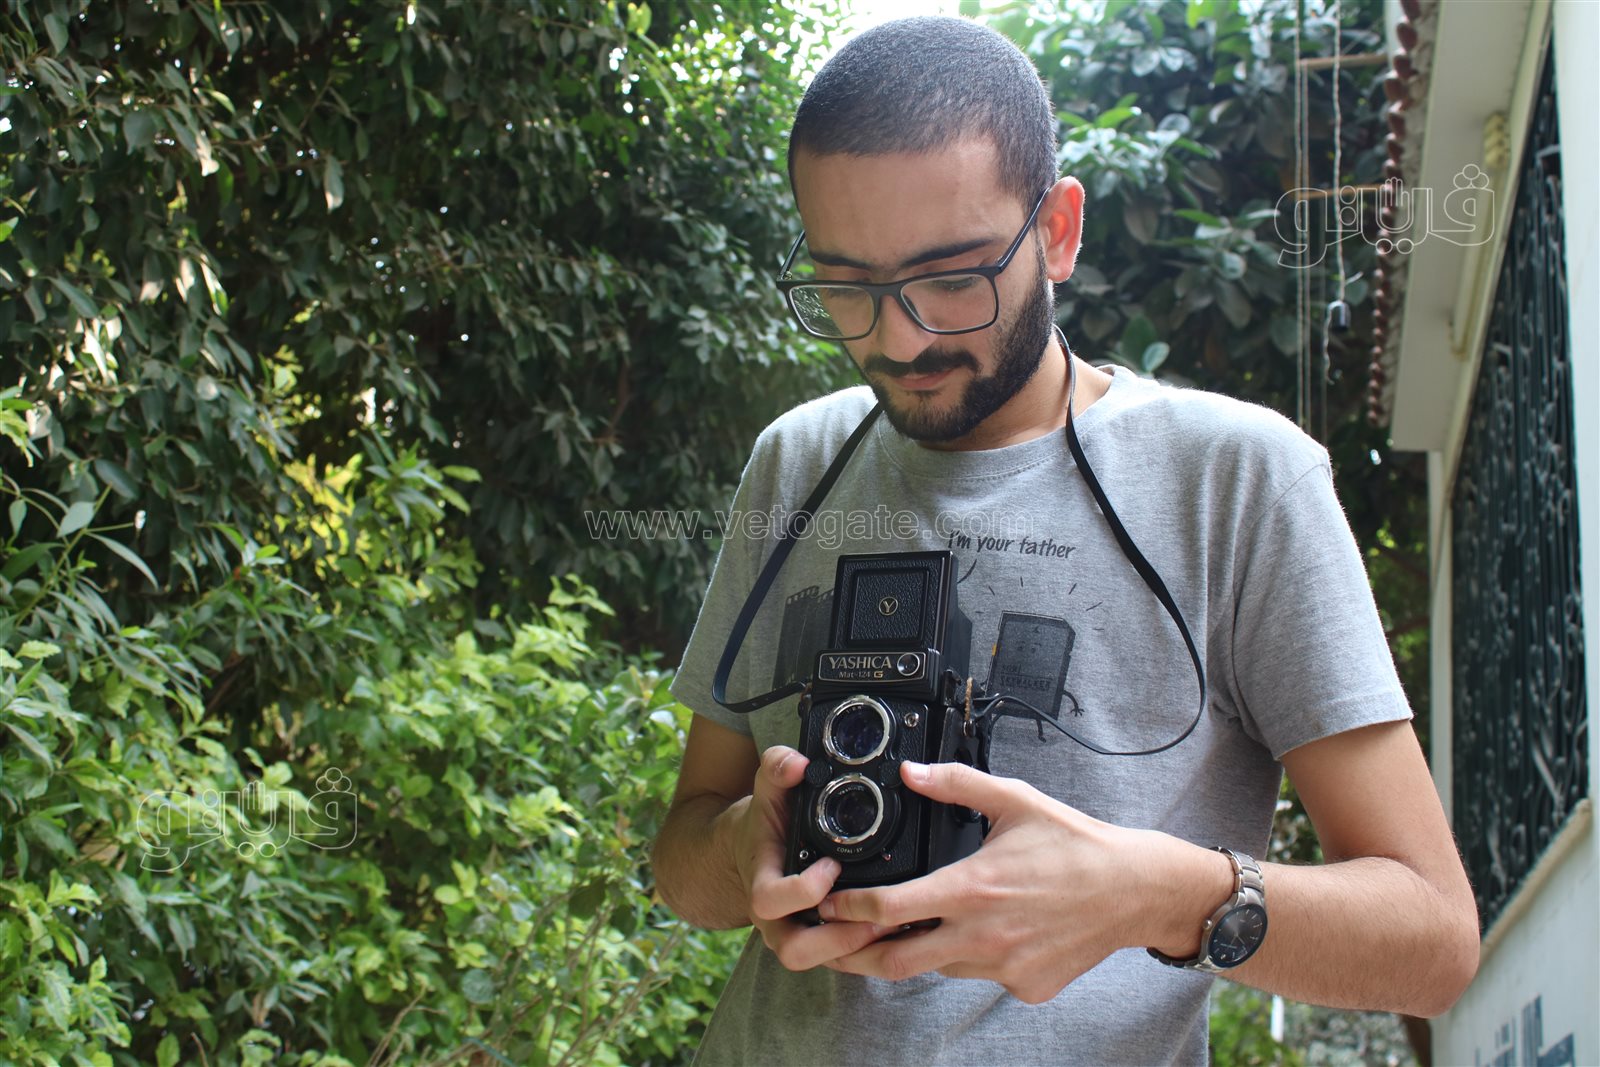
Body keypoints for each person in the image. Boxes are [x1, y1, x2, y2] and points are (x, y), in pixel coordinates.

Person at [652, 15, 1477, 1066]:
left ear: (1057, 231)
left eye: (953, 277)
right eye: (846, 287)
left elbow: (1432, 940)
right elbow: (685, 855)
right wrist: (744, 850)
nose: (899, 337)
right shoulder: (796, 461)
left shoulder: (1234, 480)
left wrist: (1156, 893)